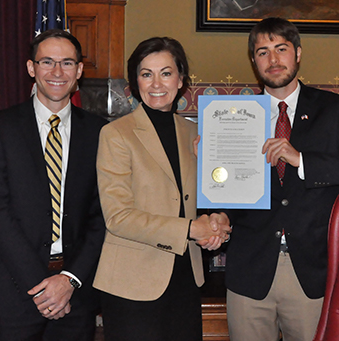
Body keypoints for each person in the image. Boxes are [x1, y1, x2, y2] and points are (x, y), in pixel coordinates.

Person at [224, 17, 339, 341]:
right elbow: (225, 189)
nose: (273, 60)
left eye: (281, 49)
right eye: (262, 52)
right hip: (249, 269)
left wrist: (301, 160)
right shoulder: (233, 115)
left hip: (312, 271)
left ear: (298, 54)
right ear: (253, 61)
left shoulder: (333, 109)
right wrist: (207, 159)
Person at [93, 37, 231, 341]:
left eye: (166, 73)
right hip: (132, 283)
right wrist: (191, 229)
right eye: (146, 74)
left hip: (185, 280)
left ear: (181, 80)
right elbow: (118, 217)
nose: (157, 83)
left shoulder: (196, 133)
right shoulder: (115, 134)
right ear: (135, 82)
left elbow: (203, 199)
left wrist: (218, 221)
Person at [0, 29, 107, 341]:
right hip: (15, 290)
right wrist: (43, 288)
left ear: (79, 71)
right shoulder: (0, 127)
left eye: (67, 63)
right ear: (31, 68)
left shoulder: (99, 133)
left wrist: (67, 281)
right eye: (47, 62)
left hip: (76, 293)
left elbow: (102, 215)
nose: (57, 72)